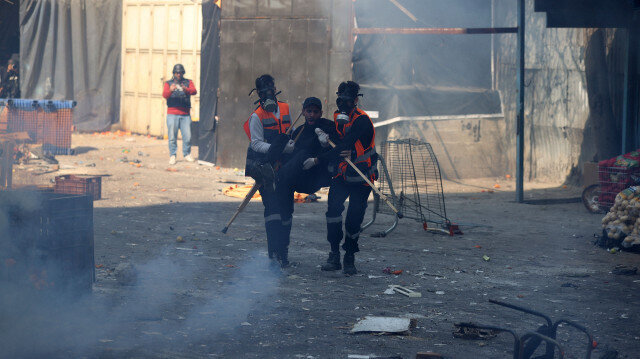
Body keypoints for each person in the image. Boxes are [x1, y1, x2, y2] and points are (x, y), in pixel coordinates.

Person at [303, 81, 378, 275]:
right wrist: (324, 137)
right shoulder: (337, 117)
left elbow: (344, 144)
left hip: (362, 177)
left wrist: (318, 159)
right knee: (333, 213)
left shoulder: (362, 121)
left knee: (354, 219)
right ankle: (334, 254)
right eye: (340, 100)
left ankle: (350, 257)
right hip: (342, 173)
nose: (343, 105)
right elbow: (337, 141)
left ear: (355, 101)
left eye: (347, 101)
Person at [273, 97, 335, 267]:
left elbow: (337, 152)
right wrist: (286, 150)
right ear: (303, 112)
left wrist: (322, 152)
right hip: (296, 177)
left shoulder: (328, 127)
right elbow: (290, 157)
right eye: (308, 111)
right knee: (284, 209)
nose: (312, 115)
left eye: (315, 111)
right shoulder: (298, 130)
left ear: (321, 113)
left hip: (316, 176)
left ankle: (277, 178)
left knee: (295, 162)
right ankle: (281, 253)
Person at [243, 74, 294, 267]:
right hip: (267, 170)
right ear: (258, 93)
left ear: (275, 88)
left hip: (287, 169)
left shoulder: (287, 109)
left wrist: (291, 146)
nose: (268, 93)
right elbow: (256, 144)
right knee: (273, 211)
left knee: (287, 211)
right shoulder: (256, 116)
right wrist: (277, 149)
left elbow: (292, 131)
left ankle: (284, 253)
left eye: (270, 88)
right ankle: (274, 254)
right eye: (263, 91)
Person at [162, 64, 197, 165]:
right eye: (177, 73)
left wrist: (186, 90)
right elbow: (165, 95)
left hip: (185, 114)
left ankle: (187, 154)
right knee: (172, 136)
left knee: (188, 136)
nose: (178, 74)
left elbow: (194, 91)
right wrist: (171, 90)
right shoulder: (168, 83)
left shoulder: (188, 82)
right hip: (172, 114)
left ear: (183, 73)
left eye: (180, 72)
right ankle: (172, 155)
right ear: (173, 73)